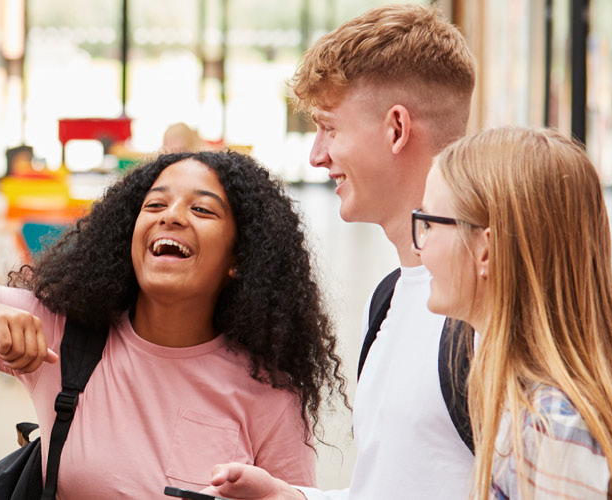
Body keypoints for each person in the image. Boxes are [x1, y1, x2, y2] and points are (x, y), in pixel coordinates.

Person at [0, 150, 345, 495]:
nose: (171, 217)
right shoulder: (67, 334)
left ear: (238, 258)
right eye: (155, 206)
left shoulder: (271, 388)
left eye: (201, 209)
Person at [205, 5, 479, 500]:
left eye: (330, 128)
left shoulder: (486, 311)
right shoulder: (390, 297)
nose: (316, 154)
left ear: (396, 129)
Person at [415, 128, 612, 500]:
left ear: (486, 250)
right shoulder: (550, 407)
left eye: (428, 224)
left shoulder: (553, 428)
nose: (420, 248)